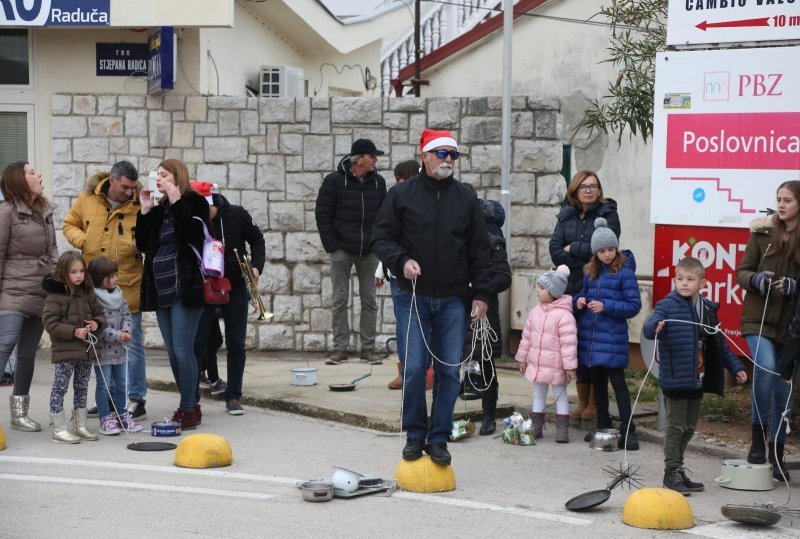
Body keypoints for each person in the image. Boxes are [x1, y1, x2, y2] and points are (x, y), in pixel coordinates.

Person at [372, 128, 492, 465]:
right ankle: (414, 433)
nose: (448, 161)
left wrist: (481, 295)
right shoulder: (401, 195)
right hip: (412, 296)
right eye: (442, 154)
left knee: (450, 371)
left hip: (454, 298)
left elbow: (481, 252)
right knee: (414, 368)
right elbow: (381, 238)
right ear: (424, 155)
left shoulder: (466, 198)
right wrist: (401, 260)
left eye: (453, 155)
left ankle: (439, 437)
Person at [644, 257, 748, 495]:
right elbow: (649, 327)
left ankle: (678, 469)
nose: (684, 283)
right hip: (674, 377)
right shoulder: (667, 305)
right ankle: (671, 471)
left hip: (696, 378)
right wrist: (655, 327)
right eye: (679, 279)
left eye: (690, 279)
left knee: (690, 427)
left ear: (702, 283)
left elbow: (719, 342)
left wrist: (735, 367)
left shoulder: (707, 308)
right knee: (676, 426)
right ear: (674, 280)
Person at [63, 161, 148, 421]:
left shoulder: (139, 206)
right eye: (124, 187)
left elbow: (149, 238)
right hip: (94, 288)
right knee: (100, 343)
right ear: (112, 180)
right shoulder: (87, 199)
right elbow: (69, 224)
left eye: (132, 187)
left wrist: (139, 243)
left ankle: (136, 399)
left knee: (131, 344)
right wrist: (83, 240)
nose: (128, 192)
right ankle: (109, 400)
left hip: (128, 285)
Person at [136, 159, 209, 430]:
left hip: (185, 287)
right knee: (171, 352)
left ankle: (188, 407)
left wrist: (178, 202)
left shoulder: (195, 202)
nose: (158, 179)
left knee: (182, 349)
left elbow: (194, 235)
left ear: (177, 177)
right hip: (160, 288)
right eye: (157, 175)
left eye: (163, 174)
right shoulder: (159, 208)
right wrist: (144, 212)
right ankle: (190, 401)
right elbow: (143, 245)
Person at [736, 180, 800, 479]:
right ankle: (758, 440)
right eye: (778, 199)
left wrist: (795, 287)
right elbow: (741, 273)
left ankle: (777, 449)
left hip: (790, 326)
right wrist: (757, 279)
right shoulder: (761, 233)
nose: (781, 204)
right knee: (767, 367)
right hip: (757, 319)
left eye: (787, 199)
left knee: (783, 386)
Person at [549, 170, 620, 422]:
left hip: (597, 285)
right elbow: (555, 250)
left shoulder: (608, 213)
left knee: (594, 342)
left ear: (600, 190)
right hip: (570, 288)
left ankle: (594, 403)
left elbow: (603, 248)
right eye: (583, 186)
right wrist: (581, 252)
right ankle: (582, 402)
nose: (589, 190)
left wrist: (574, 249)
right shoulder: (566, 214)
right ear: (575, 190)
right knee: (574, 343)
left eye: (593, 186)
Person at [190, 181, 265, 416]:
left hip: (236, 285)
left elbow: (257, 240)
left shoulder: (237, 214)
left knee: (236, 343)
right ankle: (191, 398)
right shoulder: (193, 220)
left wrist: (256, 267)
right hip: (205, 288)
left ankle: (234, 396)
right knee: (198, 343)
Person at [315, 138, 387, 365]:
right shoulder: (334, 181)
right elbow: (322, 215)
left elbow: (385, 216)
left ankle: (368, 349)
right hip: (342, 250)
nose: (376, 160)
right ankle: (340, 349)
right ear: (359, 159)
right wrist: (333, 247)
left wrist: (378, 244)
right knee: (339, 299)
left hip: (369, 251)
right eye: (372, 156)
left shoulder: (379, 182)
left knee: (370, 300)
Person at [0, 161, 59, 432]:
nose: (39, 175)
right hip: (12, 291)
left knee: (27, 355)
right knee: (5, 346)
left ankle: (19, 414)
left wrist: (57, 283)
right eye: (32, 172)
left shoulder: (45, 212)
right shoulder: (6, 212)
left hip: (40, 292)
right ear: (19, 181)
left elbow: (54, 252)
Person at [574, 218, 641, 450]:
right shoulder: (589, 272)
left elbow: (634, 305)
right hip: (592, 338)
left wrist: (607, 307)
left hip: (612, 339)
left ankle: (629, 429)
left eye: (610, 249)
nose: (607, 254)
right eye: (602, 251)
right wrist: (579, 301)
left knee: (619, 384)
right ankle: (602, 423)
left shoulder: (625, 273)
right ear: (595, 253)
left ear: (616, 248)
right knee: (598, 383)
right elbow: (580, 294)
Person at [461, 186, 512, 436]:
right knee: (454, 360)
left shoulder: (492, 239)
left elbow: (504, 277)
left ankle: (489, 414)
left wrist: (481, 286)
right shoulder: (451, 235)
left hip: (484, 309)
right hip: (455, 305)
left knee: (485, 361)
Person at [42, 251, 105, 444]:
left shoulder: (87, 291)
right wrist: (73, 331)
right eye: (73, 272)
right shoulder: (56, 295)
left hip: (86, 350)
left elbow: (99, 313)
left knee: (82, 386)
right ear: (63, 272)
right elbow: (49, 322)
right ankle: (59, 428)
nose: (79, 275)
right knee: (60, 387)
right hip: (65, 351)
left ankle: (80, 424)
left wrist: (96, 323)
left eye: (82, 271)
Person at [515, 265, 577, 442]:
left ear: (553, 293)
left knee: (560, 395)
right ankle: (536, 427)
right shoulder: (535, 312)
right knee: (538, 394)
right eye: (539, 287)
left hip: (556, 366)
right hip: (537, 364)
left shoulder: (564, 316)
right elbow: (526, 337)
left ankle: (562, 430)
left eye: (542, 288)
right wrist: (522, 358)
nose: (538, 291)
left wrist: (570, 366)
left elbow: (569, 344)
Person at [87, 256, 143, 436]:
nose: (116, 279)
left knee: (122, 385)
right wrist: (119, 335)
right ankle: (105, 418)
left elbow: (127, 315)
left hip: (121, 350)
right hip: (103, 352)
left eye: (116, 275)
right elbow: (98, 328)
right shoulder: (93, 300)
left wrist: (127, 330)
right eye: (112, 276)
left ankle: (122, 415)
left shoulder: (118, 294)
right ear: (99, 277)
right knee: (104, 386)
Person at [378, 159, 421, 390]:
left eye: (401, 178)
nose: (398, 183)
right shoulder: (395, 197)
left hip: (419, 276)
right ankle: (405, 372)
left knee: (420, 327)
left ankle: (422, 373)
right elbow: (385, 237)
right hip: (397, 273)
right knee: (403, 326)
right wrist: (380, 269)